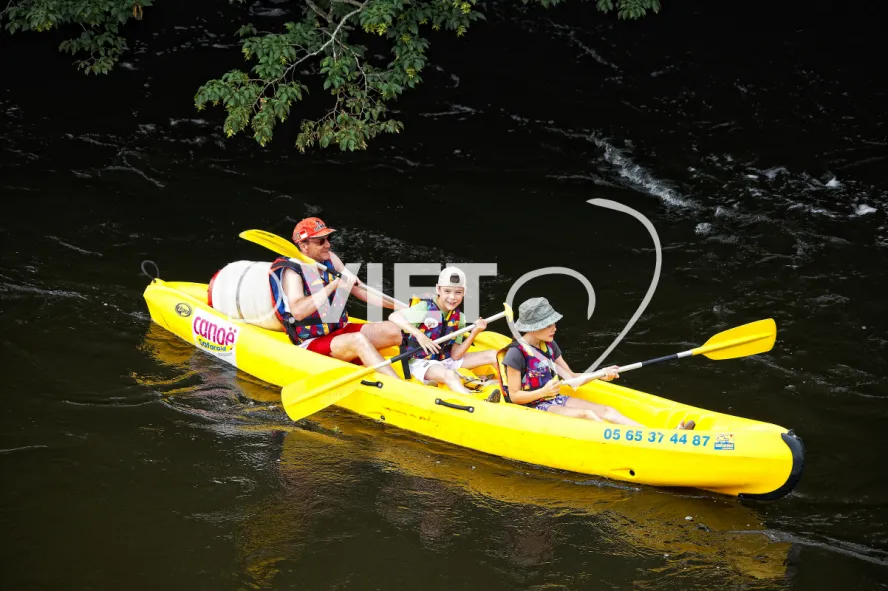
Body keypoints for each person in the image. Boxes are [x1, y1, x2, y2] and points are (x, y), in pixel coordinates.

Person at [497, 297, 695, 429]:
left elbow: (572, 379)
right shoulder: (515, 354)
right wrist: (543, 393)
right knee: (587, 415)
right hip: (533, 408)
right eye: (549, 325)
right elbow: (514, 396)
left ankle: (662, 437)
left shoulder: (549, 346)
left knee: (608, 411)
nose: (555, 328)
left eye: (554, 323)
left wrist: (601, 374)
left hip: (552, 400)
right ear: (533, 327)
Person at [269, 217, 403, 378]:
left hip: (340, 330)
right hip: (312, 342)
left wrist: (403, 307)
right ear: (304, 246)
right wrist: (333, 285)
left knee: (397, 330)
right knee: (358, 340)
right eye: (321, 241)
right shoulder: (292, 272)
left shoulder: (330, 259)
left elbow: (361, 292)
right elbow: (298, 311)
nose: (328, 245)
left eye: (328, 239)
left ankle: (426, 369)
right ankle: (399, 386)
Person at [388, 266, 499, 393]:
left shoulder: (460, 318)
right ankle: (473, 402)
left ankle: (510, 392)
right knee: (450, 375)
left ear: (464, 292)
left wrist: (474, 333)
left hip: (445, 360)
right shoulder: (425, 308)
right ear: (438, 289)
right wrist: (419, 335)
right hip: (420, 362)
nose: (452, 297)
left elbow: (456, 356)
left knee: (494, 355)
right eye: (447, 291)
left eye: (458, 292)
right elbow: (394, 316)